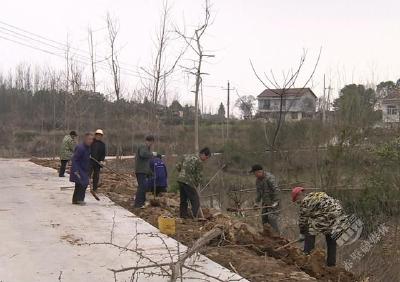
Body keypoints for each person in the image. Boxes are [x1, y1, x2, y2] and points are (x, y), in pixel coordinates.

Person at [292, 187, 350, 267]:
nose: (298, 203)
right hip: (341, 218)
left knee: (309, 230)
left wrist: (302, 233)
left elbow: (303, 221)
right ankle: (331, 265)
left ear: (299, 195)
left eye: (297, 200)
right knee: (331, 239)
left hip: (329, 216)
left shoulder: (305, 202)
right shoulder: (315, 196)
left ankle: (306, 257)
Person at [176, 147, 211, 219]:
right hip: (189, 182)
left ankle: (183, 215)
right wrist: (196, 184)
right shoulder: (199, 162)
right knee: (195, 201)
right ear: (203, 154)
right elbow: (199, 177)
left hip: (181, 180)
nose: (206, 160)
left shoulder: (187, 156)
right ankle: (194, 217)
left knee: (183, 199)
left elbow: (178, 166)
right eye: (206, 157)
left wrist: (183, 174)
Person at [249, 164, 280, 233]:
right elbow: (259, 193)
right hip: (266, 202)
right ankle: (267, 236)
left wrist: (276, 202)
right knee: (264, 218)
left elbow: (276, 190)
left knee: (272, 218)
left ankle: (277, 236)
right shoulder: (258, 181)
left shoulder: (269, 178)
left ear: (259, 171)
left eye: (254, 173)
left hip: (274, 202)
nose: (254, 175)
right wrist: (256, 203)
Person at [70, 133, 94, 205]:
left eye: (92, 139)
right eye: (89, 139)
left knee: (79, 184)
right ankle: (80, 199)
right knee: (83, 183)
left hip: (84, 169)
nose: (90, 141)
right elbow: (75, 159)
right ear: (85, 139)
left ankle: (75, 200)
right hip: (78, 169)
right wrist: (76, 170)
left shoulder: (88, 148)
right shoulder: (80, 148)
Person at [134, 135, 157, 208]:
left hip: (143, 170)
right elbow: (143, 154)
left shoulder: (146, 148)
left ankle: (142, 202)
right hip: (140, 170)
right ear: (148, 141)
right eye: (151, 143)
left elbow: (146, 163)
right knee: (142, 187)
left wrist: (151, 173)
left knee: (143, 187)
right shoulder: (143, 146)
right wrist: (152, 154)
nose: (151, 144)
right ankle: (138, 204)